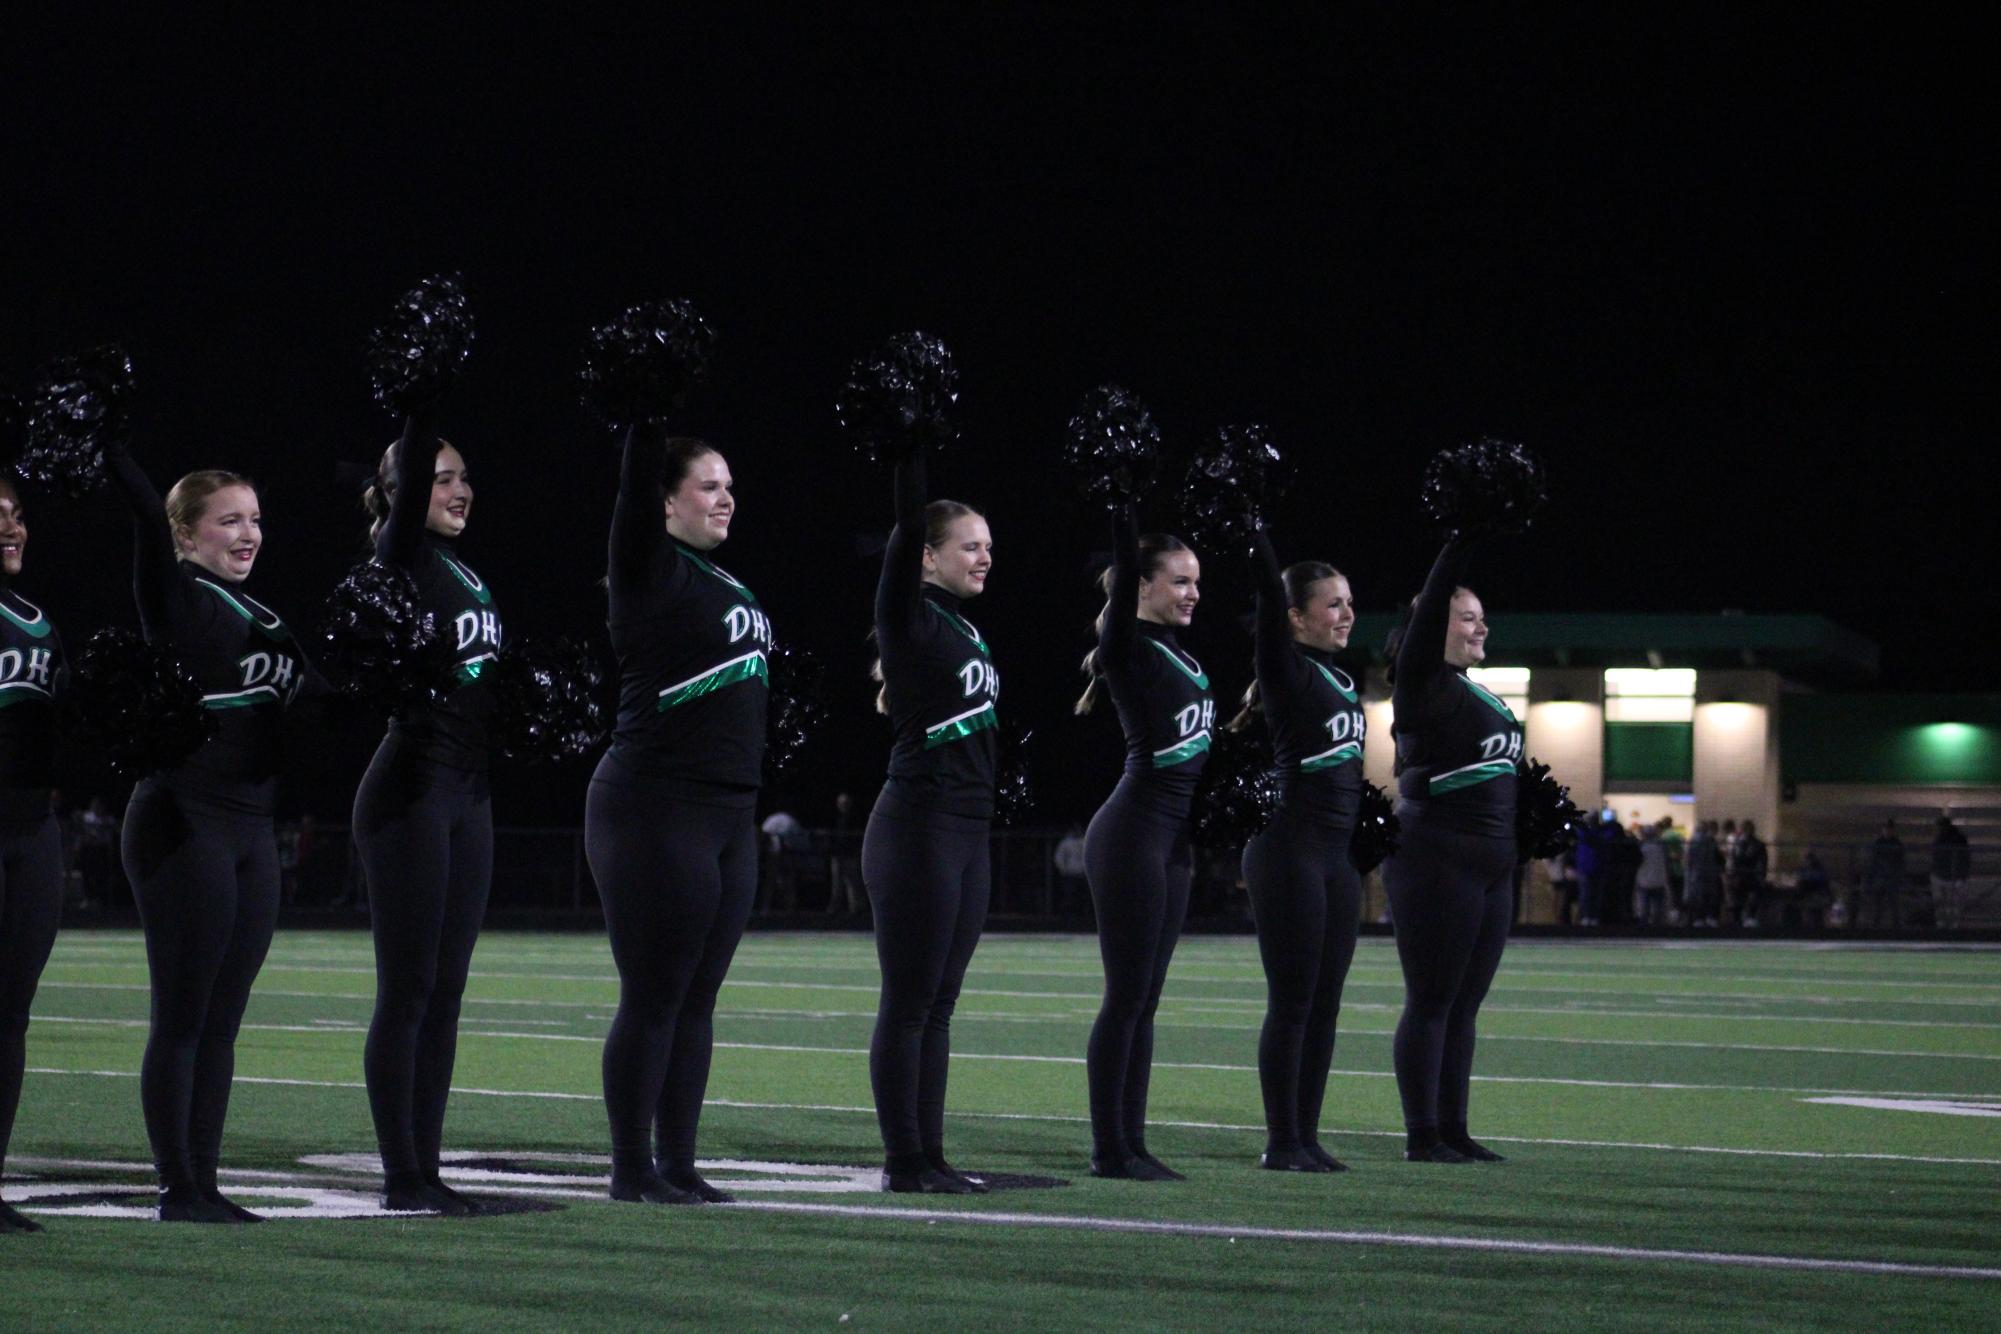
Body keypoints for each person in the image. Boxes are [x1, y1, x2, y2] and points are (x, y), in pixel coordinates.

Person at [109, 443, 321, 1222]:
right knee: (184, 1012)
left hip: (250, 831)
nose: (248, 533)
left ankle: (205, 1179)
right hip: (182, 821)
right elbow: (139, 512)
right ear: (185, 536)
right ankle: (176, 1186)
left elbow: (323, 706)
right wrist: (111, 441)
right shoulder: (178, 598)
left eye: (255, 519)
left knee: (224, 1018)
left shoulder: (267, 617)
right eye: (228, 520)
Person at [587, 429, 769, 1206]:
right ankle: (632, 1169)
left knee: (698, 997)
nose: (724, 497)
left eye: (730, 485)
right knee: (655, 993)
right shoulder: (650, 570)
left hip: (728, 813)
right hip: (656, 805)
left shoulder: (727, 583)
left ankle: (680, 1162)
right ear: (664, 503)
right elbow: (628, 493)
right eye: (706, 486)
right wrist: (644, 415)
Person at [353, 422, 503, 1215]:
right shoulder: (399, 557)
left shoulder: (465, 573)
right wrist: (420, 405)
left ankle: (429, 1166)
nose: (459, 489)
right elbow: (407, 493)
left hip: (466, 794)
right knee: (408, 989)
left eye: (464, 475)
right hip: (410, 788)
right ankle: (399, 1174)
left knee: (446, 991)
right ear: (401, 492)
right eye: (439, 477)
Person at [862, 442, 998, 1195]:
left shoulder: (966, 629)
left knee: (940, 1005)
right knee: (909, 1003)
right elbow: (905, 519)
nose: (982, 559)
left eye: (987, 548)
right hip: (916, 828)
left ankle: (932, 1154)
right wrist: (910, 444)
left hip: (965, 832)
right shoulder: (910, 619)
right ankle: (902, 1159)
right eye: (968, 547)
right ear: (924, 557)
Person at [1077, 509, 1210, 1180]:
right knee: (1125, 994)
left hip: (1171, 842)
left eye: (1196, 583)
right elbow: (1123, 572)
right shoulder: (1129, 646)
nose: (1191, 593)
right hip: (1131, 833)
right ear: (1142, 587)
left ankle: (1133, 1140)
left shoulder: (1178, 653)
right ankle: (1109, 1148)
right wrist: (1126, 503)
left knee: (1147, 998)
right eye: (1178, 581)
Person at [1381, 536, 1518, 1164]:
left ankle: (1455, 1129)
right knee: (1432, 1000)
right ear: (1433, 626)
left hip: (1491, 863)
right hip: (1436, 855)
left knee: (1466, 1004)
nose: (1481, 625)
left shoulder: (1478, 692)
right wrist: (1462, 536)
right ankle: (1422, 1134)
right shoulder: (1422, 683)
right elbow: (1433, 597)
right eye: (1467, 616)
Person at [1233, 532, 1363, 1172]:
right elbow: (1264, 588)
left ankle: (1308, 1137)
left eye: (1349, 603)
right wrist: (1256, 526)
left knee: (1326, 1003)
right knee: (1293, 1001)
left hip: (1335, 859)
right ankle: (1282, 1141)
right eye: (1332, 604)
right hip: (1288, 851)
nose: (1346, 615)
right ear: (1294, 617)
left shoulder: (1336, 678)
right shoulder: (1283, 668)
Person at [0, 479, 67, 1234]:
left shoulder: (37, 620)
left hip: (30, 831)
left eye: (17, 517)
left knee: (10, 1016)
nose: (12, 530)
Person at [1862, 820, 1906, 928]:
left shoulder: (1897, 844)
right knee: (1878, 903)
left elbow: (1900, 862)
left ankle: (1895, 926)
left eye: (1889, 829)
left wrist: (1897, 875)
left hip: (1891, 878)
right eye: (1886, 829)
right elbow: (1873, 861)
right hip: (1880, 877)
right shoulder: (1878, 843)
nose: (1887, 831)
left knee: (1893, 904)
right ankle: (1876, 925)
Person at [1931, 813, 1971, 929]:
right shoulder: (1941, 839)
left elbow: (1964, 858)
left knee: (1952, 905)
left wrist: (1961, 875)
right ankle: (1946, 926)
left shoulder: (1957, 839)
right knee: (1943, 905)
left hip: (1953, 876)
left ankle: (1950, 927)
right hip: (1943, 876)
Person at [1684, 821, 1723, 927]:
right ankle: (1709, 918)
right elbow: (1718, 857)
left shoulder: (1693, 841)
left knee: (1699, 897)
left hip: (1698, 873)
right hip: (1709, 873)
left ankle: (1699, 919)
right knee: (1709, 897)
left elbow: (1689, 860)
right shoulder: (1710, 841)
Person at [1731, 819, 1769, 927]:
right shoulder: (1739, 844)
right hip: (1743, 877)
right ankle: (1740, 920)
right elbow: (1735, 860)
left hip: (1751, 876)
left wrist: (1761, 876)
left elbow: (1762, 862)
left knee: (1751, 900)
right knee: (1740, 900)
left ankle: (1748, 918)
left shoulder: (1756, 845)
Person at [1635, 824, 1668, 925]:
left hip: (1644, 880)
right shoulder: (1661, 847)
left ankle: (1644, 926)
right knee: (1658, 907)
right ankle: (1657, 926)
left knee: (1644, 906)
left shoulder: (1641, 848)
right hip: (1659, 880)